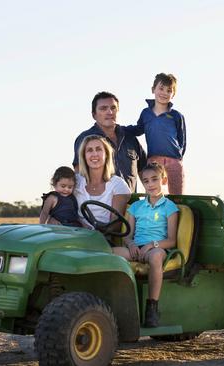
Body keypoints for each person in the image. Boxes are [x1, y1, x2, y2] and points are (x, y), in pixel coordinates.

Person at [113, 162, 178, 327]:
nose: (150, 184)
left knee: (156, 257)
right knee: (110, 252)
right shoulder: (135, 207)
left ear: (163, 180)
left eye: (154, 179)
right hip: (136, 248)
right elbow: (127, 235)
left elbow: (171, 240)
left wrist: (151, 245)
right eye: (146, 181)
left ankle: (152, 307)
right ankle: (114, 303)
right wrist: (131, 244)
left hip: (157, 248)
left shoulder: (170, 207)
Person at [73, 91, 146, 193]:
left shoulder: (130, 138)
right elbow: (79, 174)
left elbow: (145, 172)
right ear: (94, 115)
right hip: (100, 205)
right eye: (103, 108)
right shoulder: (85, 139)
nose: (110, 112)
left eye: (113, 108)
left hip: (131, 205)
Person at [132, 73, 187, 194]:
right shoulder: (146, 113)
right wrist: (122, 129)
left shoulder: (176, 116)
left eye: (169, 90)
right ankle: (152, 212)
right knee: (152, 192)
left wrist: (178, 156)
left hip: (174, 160)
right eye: (161, 88)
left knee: (177, 194)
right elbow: (138, 129)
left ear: (173, 94)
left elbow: (182, 139)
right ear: (153, 89)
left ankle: (175, 211)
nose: (164, 93)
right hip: (154, 159)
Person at [74, 134, 132, 229]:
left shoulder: (117, 184)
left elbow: (115, 225)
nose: (94, 154)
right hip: (76, 235)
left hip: (102, 238)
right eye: (89, 150)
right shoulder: (76, 181)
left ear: (106, 154)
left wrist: (94, 234)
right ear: (84, 156)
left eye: (98, 149)